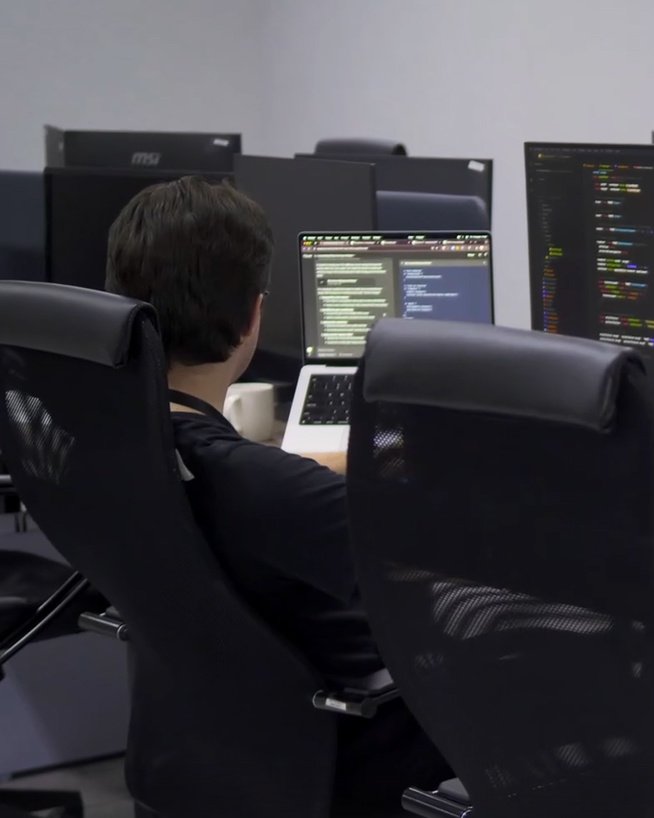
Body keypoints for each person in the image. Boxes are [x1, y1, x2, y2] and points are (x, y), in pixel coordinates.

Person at [105, 177, 449, 814]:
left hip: (197, 754)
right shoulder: (267, 489)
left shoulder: (103, 450)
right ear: (253, 317)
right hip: (352, 753)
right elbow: (443, 579)